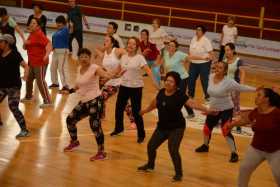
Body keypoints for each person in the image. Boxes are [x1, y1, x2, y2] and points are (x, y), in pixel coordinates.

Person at [138, 71, 216, 182]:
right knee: (151, 146)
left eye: (171, 81)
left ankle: (179, 174)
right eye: (167, 81)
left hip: (176, 128)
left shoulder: (180, 95)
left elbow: (193, 104)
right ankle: (150, 166)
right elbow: (154, 103)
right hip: (162, 127)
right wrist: (145, 111)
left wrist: (207, 110)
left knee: (173, 149)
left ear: (176, 84)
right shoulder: (161, 92)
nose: (168, 83)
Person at [63, 48, 123, 161]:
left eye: (86, 56)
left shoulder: (94, 68)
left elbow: (105, 75)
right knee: (70, 120)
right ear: (79, 58)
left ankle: (101, 152)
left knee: (95, 126)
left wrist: (114, 75)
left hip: (95, 101)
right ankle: (74, 142)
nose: (84, 59)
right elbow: (78, 85)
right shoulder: (80, 68)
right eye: (82, 56)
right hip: (84, 101)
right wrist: (69, 91)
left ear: (90, 58)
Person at [195, 61, 255, 162]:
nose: (217, 69)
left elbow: (241, 87)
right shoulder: (211, 76)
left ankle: (234, 153)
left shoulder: (229, 81)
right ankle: (205, 146)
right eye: (216, 67)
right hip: (213, 109)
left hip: (226, 109)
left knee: (225, 130)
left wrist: (256, 89)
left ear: (225, 71)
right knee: (206, 129)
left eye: (220, 68)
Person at [227, 88, 280, 187]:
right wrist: (232, 125)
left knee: (278, 175)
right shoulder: (257, 111)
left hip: (275, 151)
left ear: (266, 99)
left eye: (259, 95)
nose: (256, 97)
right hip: (256, 149)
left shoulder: (277, 113)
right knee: (244, 169)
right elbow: (246, 120)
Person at [110, 37, 159, 143]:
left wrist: (155, 82)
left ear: (136, 47)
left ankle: (141, 133)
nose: (130, 46)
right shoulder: (123, 57)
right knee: (118, 108)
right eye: (129, 44)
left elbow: (148, 71)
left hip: (136, 88)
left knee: (136, 112)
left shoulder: (140, 58)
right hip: (124, 86)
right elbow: (117, 70)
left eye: (133, 44)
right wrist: (109, 76)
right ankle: (119, 129)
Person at [95, 35, 135, 128]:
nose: (105, 42)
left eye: (107, 41)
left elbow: (126, 54)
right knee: (101, 98)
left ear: (112, 43)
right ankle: (101, 116)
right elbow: (96, 50)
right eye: (104, 41)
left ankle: (134, 121)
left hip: (119, 82)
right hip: (109, 82)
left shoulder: (116, 51)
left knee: (124, 103)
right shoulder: (104, 54)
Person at [0, 34, 29, 138]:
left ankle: (24, 130)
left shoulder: (14, 54)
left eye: (1, 42)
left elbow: (25, 65)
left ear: (7, 43)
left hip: (14, 86)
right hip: (2, 85)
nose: (0, 43)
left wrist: (25, 75)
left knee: (13, 107)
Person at [21, 18, 52, 108]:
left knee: (40, 81)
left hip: (40, 62)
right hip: (32, 62)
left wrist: (47, 54)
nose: (31, 24)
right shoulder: (32, 34)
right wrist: (25, 44)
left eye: (34, 23)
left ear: (38, 26)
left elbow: (49, 44)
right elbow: (25, 47)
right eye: (31, 22)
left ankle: (48, 101)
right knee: (29, 79)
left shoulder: (39, 34)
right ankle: (29, 96)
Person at [161, 40, 195, 118]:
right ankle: (188, 112)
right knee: (176, 95)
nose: (170, 47)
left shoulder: (179, 54)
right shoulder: (166, 54)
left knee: (180, 96)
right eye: (169, 45)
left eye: (172, 46)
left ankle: (188, 113)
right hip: (172, 79)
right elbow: (164, 66)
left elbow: (189, 58)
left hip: (182, 78)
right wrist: (164, 77)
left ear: (176, 48)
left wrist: (202, 58)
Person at [188, 25, 215, 101]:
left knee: (204, 80)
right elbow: (190, 50)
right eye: (196, 29)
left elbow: (211, 52)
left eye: (199, 30)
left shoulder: (206, 40)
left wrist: (213, 64)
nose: (197, 31)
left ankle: (208, 97)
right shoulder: (193, 39)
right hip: (193, 63)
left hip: (204, 63)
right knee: (191, 79)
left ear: (203, 32)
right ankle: (190, 95)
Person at [224, 43, 245, 133]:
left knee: (235, 107)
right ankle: (226, 122)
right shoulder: (224, 60)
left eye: (228, 50)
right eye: (225, 50)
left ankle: (238, 125)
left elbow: (243, 73)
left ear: (233, 50)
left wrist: (241, 85)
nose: (226, 52)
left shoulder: (238, 60)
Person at [49, 15, 70, 93]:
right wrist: (53, 47)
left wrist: (69, 22)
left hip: (63, 51)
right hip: (55, 51)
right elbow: (55, 39)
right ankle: (55, 83)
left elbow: (70, 29)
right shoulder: (58, 31)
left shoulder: (66, 30)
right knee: (52, 68)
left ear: (64, 23)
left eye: (60, 23)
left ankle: (66, 86)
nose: (58, 24)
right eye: (57, 23)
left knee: (62, 69)